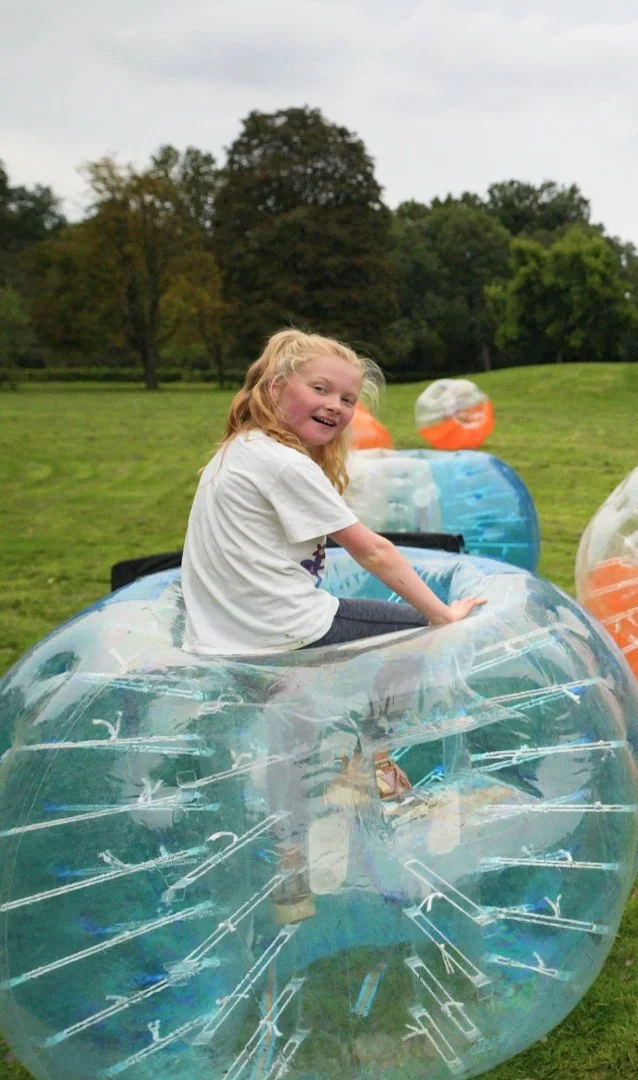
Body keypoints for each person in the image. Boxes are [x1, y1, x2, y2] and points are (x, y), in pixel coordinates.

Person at [180, 328, 486, 919]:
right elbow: (374, 552)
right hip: (286, 627)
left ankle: (290, 870)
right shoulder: (282, 463)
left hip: (229, 638)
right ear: (274, 388)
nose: (336, 406)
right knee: (417, 634)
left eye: (347, 399)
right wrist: (444, 615)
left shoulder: (237, 450)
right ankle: (367, 762)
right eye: (319, 388)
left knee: (291, 740)